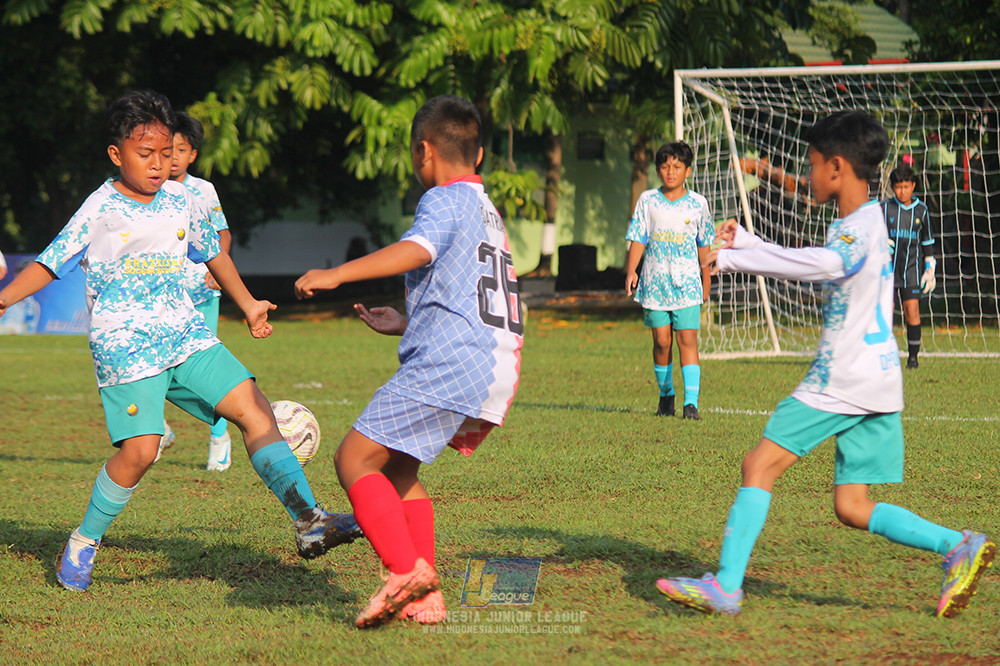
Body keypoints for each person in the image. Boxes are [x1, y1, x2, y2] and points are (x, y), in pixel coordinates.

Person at [0, 90, 361, 592]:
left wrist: (249, 303)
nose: (157, 165)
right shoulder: (100, 208)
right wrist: (3, 299)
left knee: (255, 408)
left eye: (166, 154)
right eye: (145, 155)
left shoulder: (181, 200)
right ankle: (84, 542)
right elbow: (48, 262)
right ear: (116, 154)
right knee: (142, 452)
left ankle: (310, 521)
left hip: (186, 332)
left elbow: (214, 254)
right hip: (126, 343)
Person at [656, 111, 994, 618]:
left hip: (843, 380)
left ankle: (726, 587)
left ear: (836, 167)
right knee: (851, 506)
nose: (807, 176)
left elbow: (826, 265)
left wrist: (733, 259)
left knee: (757, 465)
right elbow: (823, 258)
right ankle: (958, 545)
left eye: (811, 166)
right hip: (879, 382)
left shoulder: (858, 228)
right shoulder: (866, 220)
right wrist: (746, 241)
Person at [295, 95, 523, 628]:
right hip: (491, 362)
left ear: (423, 150)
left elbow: (417, 250)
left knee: (353, 460)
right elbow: (471, 287)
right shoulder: (485, 209)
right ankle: (426, 596)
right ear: (481, 154)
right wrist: (408, 319)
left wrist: (336, 274)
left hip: (450, 362)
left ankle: (404, 571)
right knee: (398, 470)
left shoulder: (443, 199)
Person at [156, 111, 235, 471]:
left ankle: (219, 432)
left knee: (200, 374)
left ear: (192, 155)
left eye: (180, 150)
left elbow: (221, 234)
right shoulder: (150, 189)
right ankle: (156, 429)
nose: (171, 158)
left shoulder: (203, 190)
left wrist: (216, 272)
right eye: (166, 149)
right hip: (164, 297)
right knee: (156, 368)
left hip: (201, 296)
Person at [624, 141, 715, 420]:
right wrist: (632, 271)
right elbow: (638, 237)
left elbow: (704, 245)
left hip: (687, 284)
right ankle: (666, 396)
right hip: (655, 284)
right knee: (662, 342)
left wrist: (706, 279)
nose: (670, 172)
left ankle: (691, 404)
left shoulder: (698, 204)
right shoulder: (648, 201)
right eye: (665, 166)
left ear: (687, 170)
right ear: (658, 170)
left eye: (677, 167)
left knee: (687, 339)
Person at [882, 162, 935, 369]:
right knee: (886, 314)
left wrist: (930, 269)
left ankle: (913, 358)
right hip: (887, 272)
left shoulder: (921, 211)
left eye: (906, 187)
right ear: (892, 187)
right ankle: (884, 357)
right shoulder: (884, 209)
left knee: (911, 310)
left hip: (911, 271)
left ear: (913, 186)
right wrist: (878, 242)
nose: (902, 191)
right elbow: (871, 234)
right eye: (898, 187)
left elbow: (927, 243)